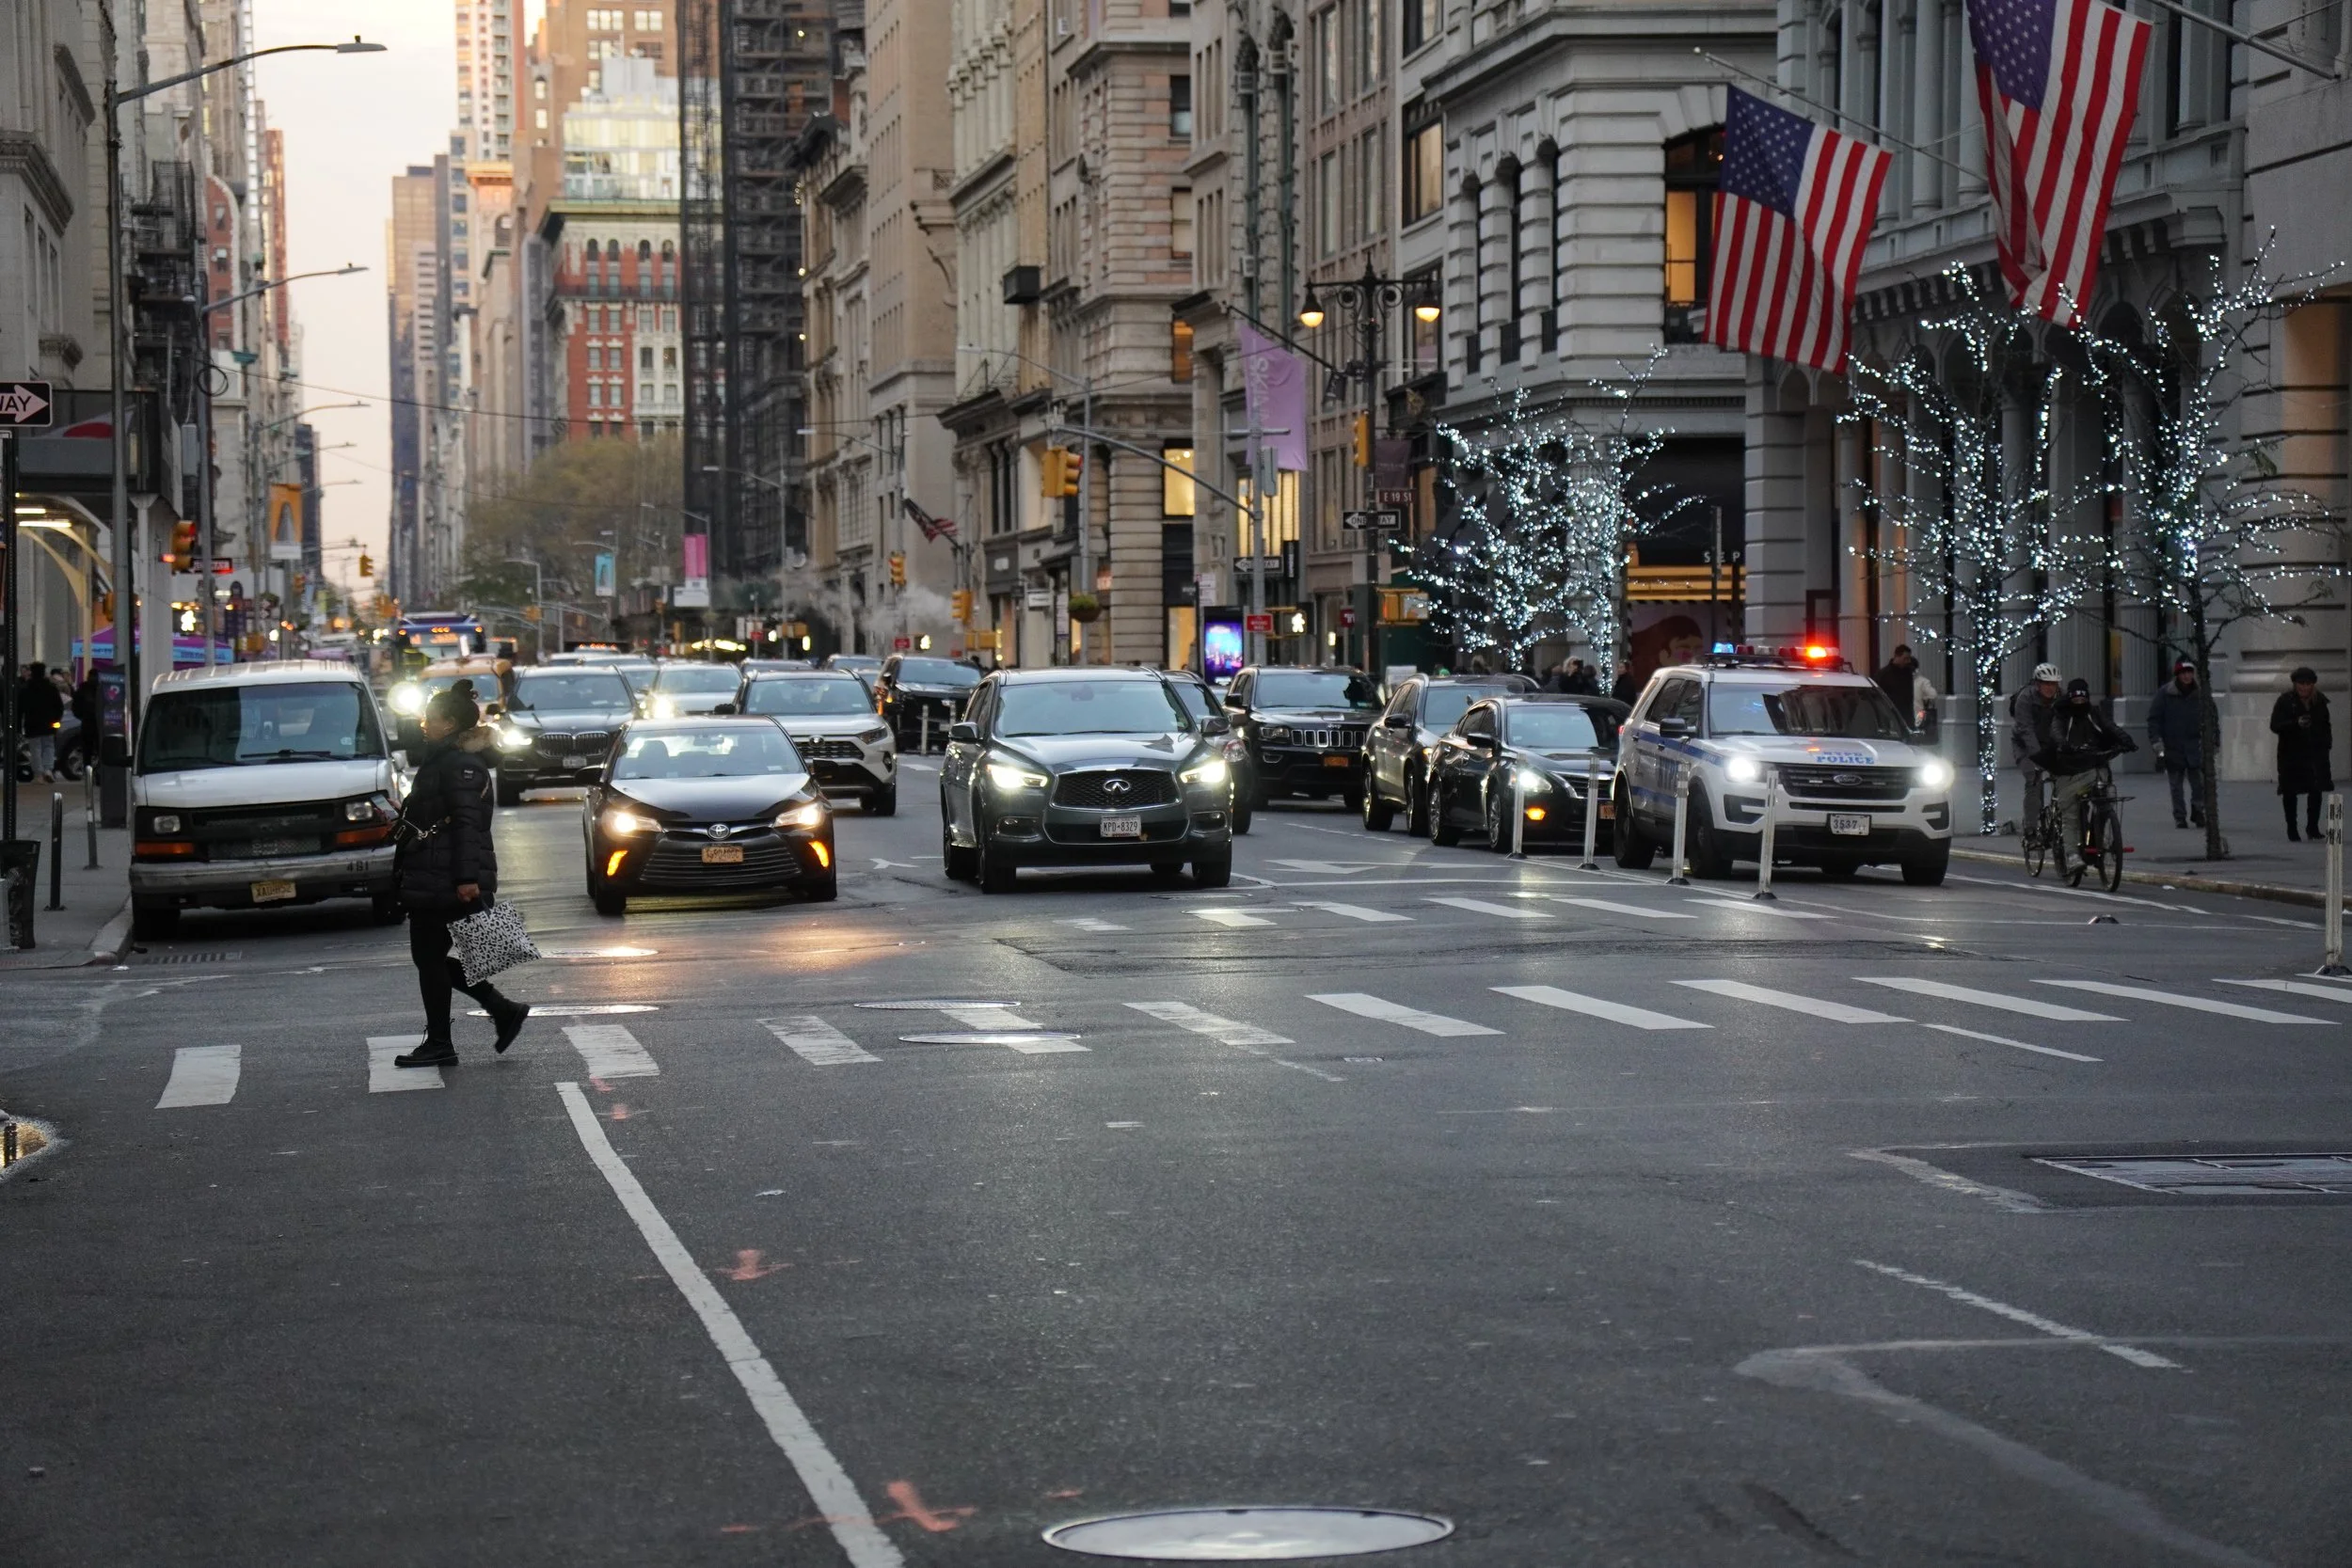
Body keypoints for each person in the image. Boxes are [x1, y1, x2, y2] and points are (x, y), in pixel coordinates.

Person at [392, 680, 531, 1069]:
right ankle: (499, 1010)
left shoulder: (461, 766)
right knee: (432, 956)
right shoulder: (443, 760)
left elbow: (469, 825)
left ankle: (444, 1039)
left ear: (450, 724)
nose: (423, 724)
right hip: (436, 873)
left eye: (431, 719)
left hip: (448, 876)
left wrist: (466, 878)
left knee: (430, 956)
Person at [2034, 678, 2136, 850]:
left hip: (2093, 762)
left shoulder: (2094, 713)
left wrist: (2126, 740)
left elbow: (2110, 727)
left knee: (2105, 798)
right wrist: (2064, 745)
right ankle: (2071, 852)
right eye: (2076, 699)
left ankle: (2098, 837)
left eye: (2083, 699)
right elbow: (2056, 732)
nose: (2080, 702)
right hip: (2070, 766)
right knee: (2071, 810)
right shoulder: (2062, 714)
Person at [2271, 666, 2334, 842]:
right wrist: (2295, 723)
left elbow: (2326, 725)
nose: (2304, 687)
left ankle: (2312, 827)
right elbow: (2275, 725)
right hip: (2291, 753)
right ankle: (2292, 828)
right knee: (2290, 791)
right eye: (2301, 684)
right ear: (2295, 684)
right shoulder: (2285, 701)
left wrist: (2326, 745)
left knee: (2316, 790)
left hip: (2315, 752)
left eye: (2308, 684)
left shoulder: (2319, 701)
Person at [2146, 659, 2207, 829]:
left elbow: (2211, 718)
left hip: (2195, 744)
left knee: (2199, 783)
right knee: (2176, 786)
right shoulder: (2165, 694)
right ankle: (2180, 816)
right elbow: (2154, 720)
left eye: (2190, 672)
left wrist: (2213, 741)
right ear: (2178, 675)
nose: (2187, 676)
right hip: (2173, 745)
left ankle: (2198, 810)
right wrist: (2157, 743)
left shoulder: (2200, 694)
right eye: (2183, 673)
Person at [2010, 662, 2061, 830]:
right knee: (2034, 779)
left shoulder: (2061, 698)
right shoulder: (2025, 698)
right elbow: (2026, 730)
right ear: (2037, 684)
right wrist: (2039, 757)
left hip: (2049, 743)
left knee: (2065, 779)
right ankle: (2031, 830)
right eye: (2046, 683)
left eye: (2053, 684)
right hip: (2024, 744)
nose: (2050, 688)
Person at [18, 661, 65, 782]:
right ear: (44, 672)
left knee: (35, 748)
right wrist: (56, 721)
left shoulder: (26, 688)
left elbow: (20, 708)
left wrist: (18, 726)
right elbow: (59, 707)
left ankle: (38, 774)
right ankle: (48, 769)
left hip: (32, 723)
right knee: (49, 746)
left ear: (32, 673)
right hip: (49, 723)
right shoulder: (51, 688)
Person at [1874, 644, 1921, 717]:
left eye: (1909, 659)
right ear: (1897, 656)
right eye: (1905, 658)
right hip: (1890, 715)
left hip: (1907, 715)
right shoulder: (1883, 675)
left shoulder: (1907, 673)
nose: (1907, 661)